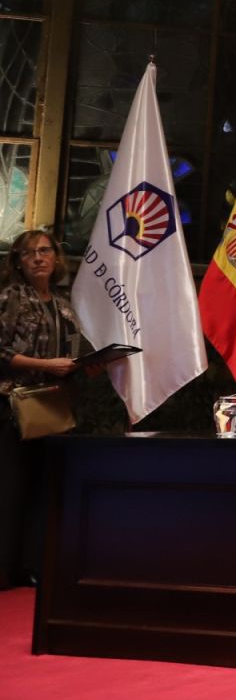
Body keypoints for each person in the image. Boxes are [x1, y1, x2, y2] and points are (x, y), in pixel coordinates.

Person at [0, 231, 95, 587]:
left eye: (44, 251)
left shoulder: (62, 303)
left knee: (43, 489)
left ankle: (31, 567)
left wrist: (89, 364)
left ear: (56, 258)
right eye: (29, 253)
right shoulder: (11, 296)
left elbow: (72, 354)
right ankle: (4, 569)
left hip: (53, 407)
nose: (38, 258)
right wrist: (44, 364)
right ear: (17, 262)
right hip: (14, 407)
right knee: (10, 490)